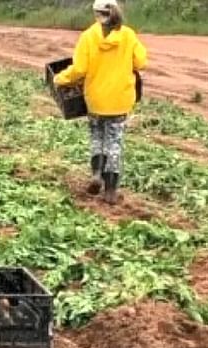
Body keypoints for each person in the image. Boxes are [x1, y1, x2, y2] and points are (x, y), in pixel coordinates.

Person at [54, 0, 147, 205]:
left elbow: (79, 70)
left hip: (96, 99)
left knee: (97, 136)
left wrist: (59, 79)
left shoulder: (88, 37)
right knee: (115, 142)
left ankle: (96, 173)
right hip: (120, 99)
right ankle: (111, 191)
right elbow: (141, 62)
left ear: (96, 13)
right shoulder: (128, 35)